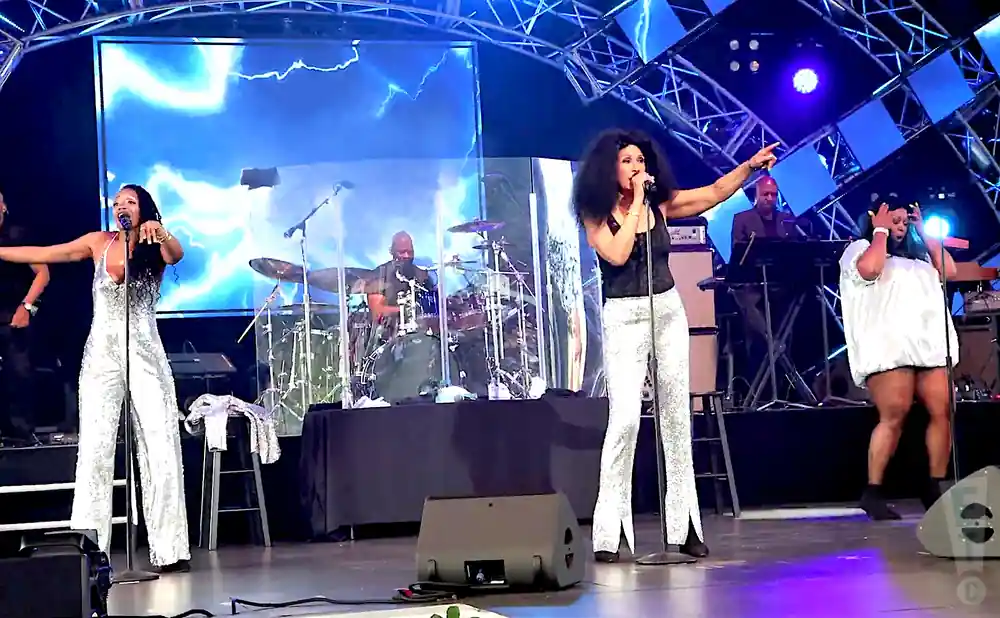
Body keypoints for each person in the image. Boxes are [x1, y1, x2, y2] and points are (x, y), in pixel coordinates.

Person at [573, 129, 778, 562]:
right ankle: (610, 532)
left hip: (667, 309)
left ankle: (684, 526)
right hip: (623, 314)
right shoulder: (595, 212)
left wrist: (748, 167)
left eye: (640, 160)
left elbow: (715, 193)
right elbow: (616, 254)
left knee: (676, 419)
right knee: (625, 420)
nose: (637, 167)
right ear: (609, 168)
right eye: (627, 161)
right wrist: (635, 205)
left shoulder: (661, 204)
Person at [0, 184, 191, 571]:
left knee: (160, 444)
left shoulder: (154, 243)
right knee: (94, 449)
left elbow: (176, 254)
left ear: (144, 208)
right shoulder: (98, 242)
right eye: (117, 202)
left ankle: (170, 550)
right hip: (101, 356)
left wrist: (161, 231)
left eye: (130, 202)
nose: (122, 206)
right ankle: (89, 548)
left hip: (145, 355)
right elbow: (45, 254)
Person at [839, 197, 958, 520]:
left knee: (943, 409)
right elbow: (870, 270)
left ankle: (934, 485)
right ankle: (873, 491)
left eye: (905, 222)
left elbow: (950, 271)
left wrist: (926, 234)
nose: (901, 227)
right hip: (890, 347)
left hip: (928, 345)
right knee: (895, 412)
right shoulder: (859, 249)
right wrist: (879, 230)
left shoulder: (920, 258)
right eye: (895, 220)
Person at [0, 191, 50, 446]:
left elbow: (43, 274)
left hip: (14, 314)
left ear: (3, 207)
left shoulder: (19, 236)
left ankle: (20, 434)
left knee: (18, 374)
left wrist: (27, 307)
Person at [365, 231, 434, 325]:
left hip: (421, 329)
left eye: (410, 252)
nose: (407, 256)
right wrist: (404, 310)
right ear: (392, 252)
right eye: (402, 252)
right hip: (390, 330)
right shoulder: (380, 274)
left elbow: (433, 306)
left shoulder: (422, 276)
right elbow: (377, 311)